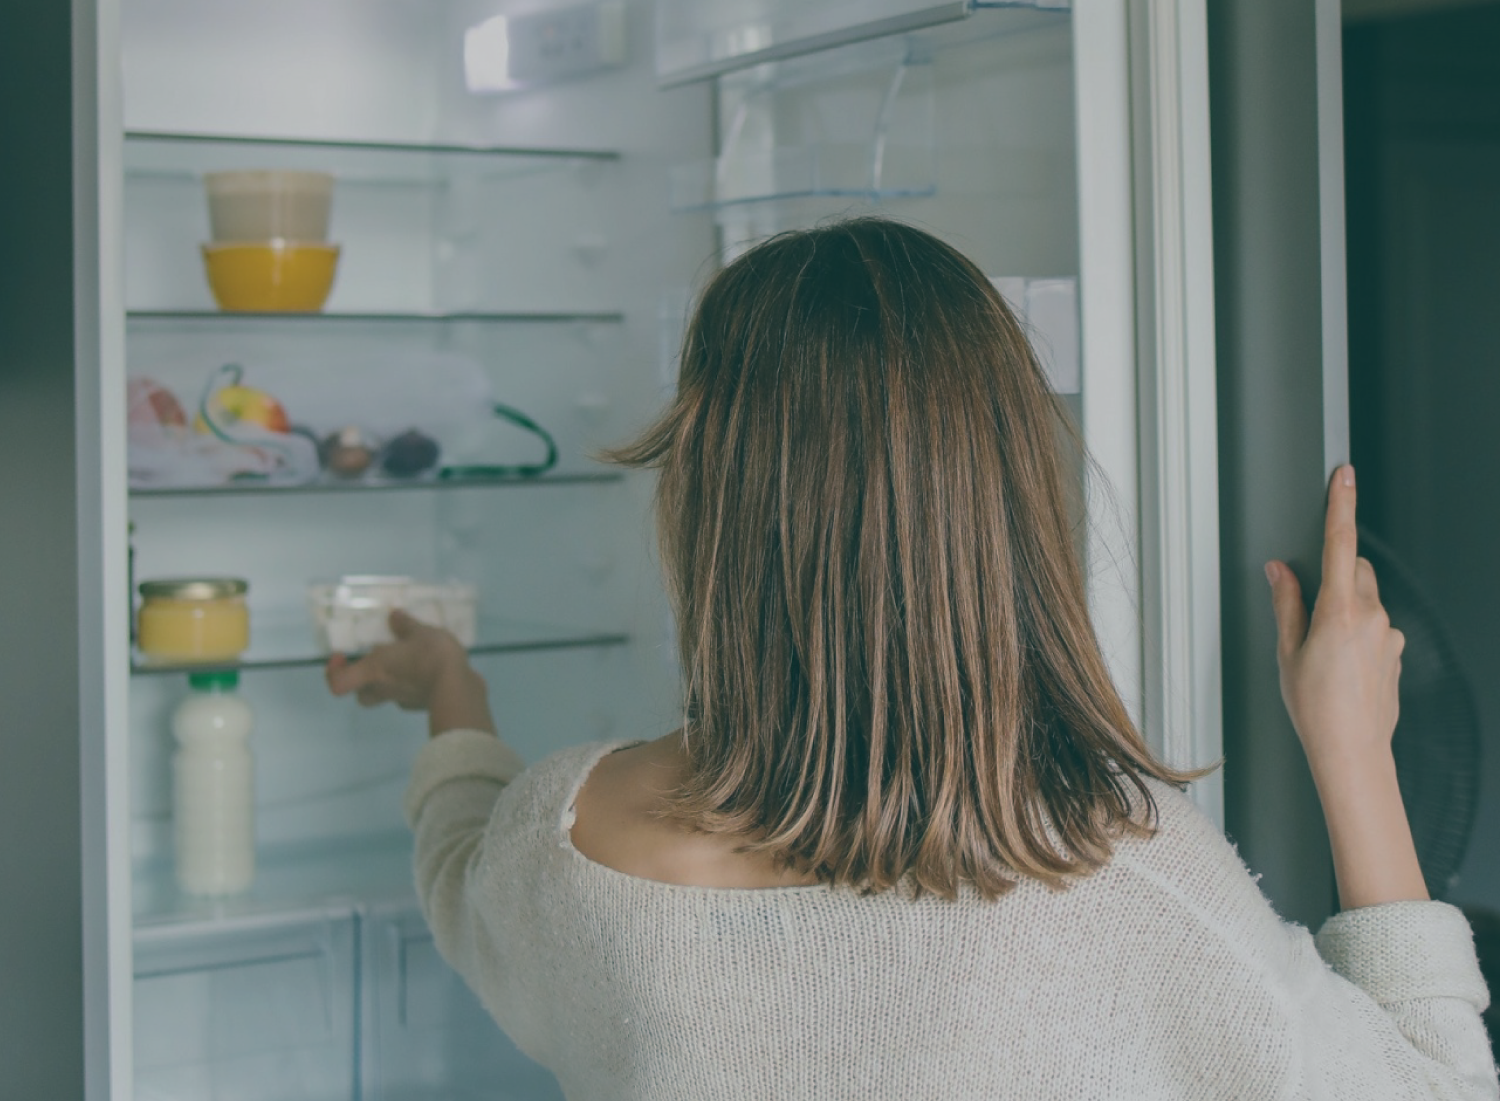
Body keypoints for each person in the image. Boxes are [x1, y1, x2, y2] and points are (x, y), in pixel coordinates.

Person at [326, 218, 1496, 1099]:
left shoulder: (567, 842)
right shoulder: (1127, 889)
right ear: (1005, 506)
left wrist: (449, 689)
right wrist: (1355, 755)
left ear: (711, 511)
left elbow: (460, 872)